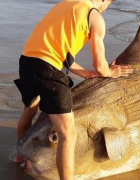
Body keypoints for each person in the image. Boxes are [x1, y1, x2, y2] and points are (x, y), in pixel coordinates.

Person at [14, 0, 133, 179]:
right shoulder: (94, 17)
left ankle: (19, 155)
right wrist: (111, 73)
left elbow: (58, 51)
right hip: (49, 71)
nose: (106, 8)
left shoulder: (67, 4)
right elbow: (100, 66)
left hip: (27, 61)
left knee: (29, 111)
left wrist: (84, 73)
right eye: (108, 3)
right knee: (68, 134)